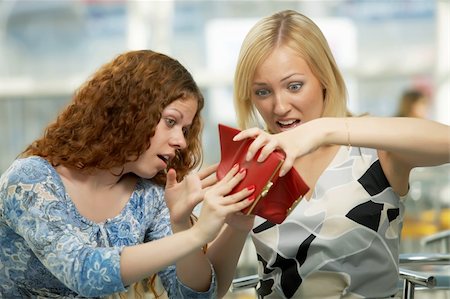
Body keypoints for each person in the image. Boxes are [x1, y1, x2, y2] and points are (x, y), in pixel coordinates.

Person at [0, 50, 256, 298]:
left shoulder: (149, 197)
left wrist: (180, 225)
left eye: (185, 130)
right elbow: (83, 272)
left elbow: (193, 296)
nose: (181, 141)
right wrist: (197, 234)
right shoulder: (29, 181)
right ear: (129, 113)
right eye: (170, 121)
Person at [231, 10, 450, 298]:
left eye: (294, 86)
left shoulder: (371, 149)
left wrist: (324, 130)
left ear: (323, 78)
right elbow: (208, 279)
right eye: (263, 92)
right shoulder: (254, 165)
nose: (279, 106)